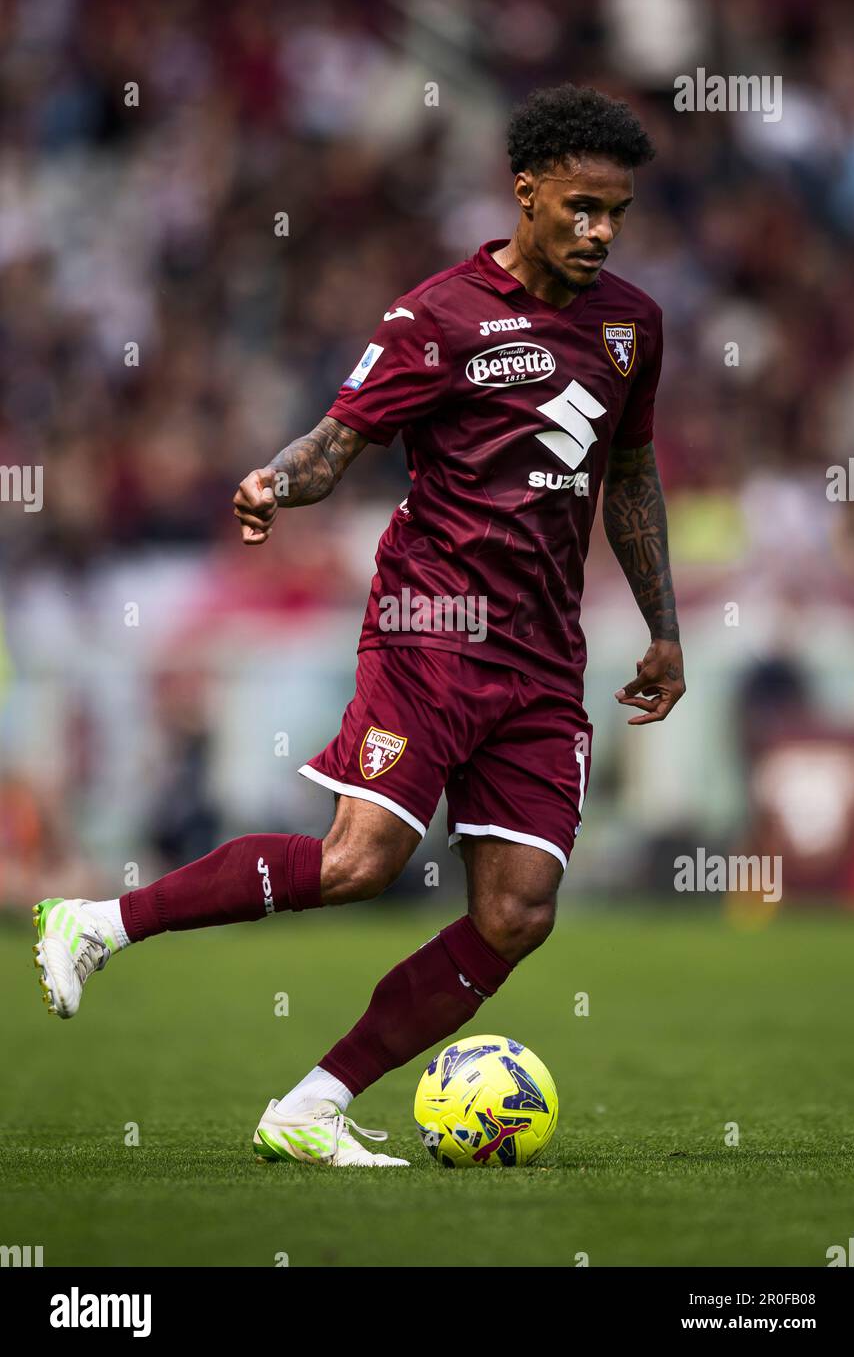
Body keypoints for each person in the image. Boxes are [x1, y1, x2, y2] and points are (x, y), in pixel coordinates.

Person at [33, 84, 685, 1167]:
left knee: (519, 911)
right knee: (360, 859)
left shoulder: (631, 328)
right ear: (524, 194)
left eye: (615, 212)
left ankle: (313, 1103)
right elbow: (335, 444)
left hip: (541, 657)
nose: (599, 231)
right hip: (428, 624)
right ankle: (97, 923)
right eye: (578, 207)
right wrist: (272, 486)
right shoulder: (435, 317)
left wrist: (661, 627)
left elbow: (629, 470)